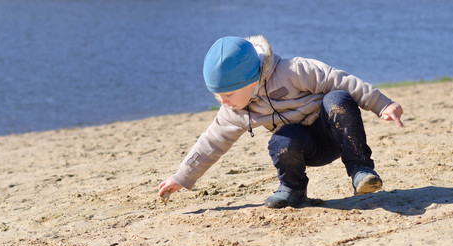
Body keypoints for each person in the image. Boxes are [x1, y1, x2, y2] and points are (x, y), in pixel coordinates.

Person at [158, 35, 404, 209]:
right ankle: (293, 190)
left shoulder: (293, 71)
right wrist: (182, 177)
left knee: (337, 98)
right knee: (280, 141)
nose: (224, 101)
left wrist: (382, 104)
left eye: (229, 94)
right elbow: (210, 143)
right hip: (304, 148)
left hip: (335, 132)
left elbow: (341, 80)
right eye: (217, 96)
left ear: (252, 80)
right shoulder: (235, 111)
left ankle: (361, 170)